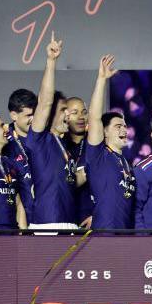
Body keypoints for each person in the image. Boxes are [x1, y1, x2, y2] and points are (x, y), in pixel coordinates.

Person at [24, 33, 80, 229]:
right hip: (47, 224)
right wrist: (51, 61)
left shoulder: (65, 145)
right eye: (63, 109)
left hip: (70, 224)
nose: (69, 114)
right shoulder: (39, 139)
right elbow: (46, 101)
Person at [84, 55, 135, 229]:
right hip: (105, 234)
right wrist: (102, 79)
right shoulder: (98, 155)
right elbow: (95, 116)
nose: (124, 129)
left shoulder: (125, 162)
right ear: (104, 132)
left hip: (126, 236)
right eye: (118, 126)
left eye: (125, 126)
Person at [6, 88, 37, 219]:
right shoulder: (3, 144)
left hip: (48, 216)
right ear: (14, 115)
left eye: (35, 114)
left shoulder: (46, 137)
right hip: (20, 221)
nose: (34, 119)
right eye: (28, 115)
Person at [64, 95, 92, 228]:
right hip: (63, 222)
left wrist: (98, 215)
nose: (81, 117)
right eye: (75, 113)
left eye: (84, 112)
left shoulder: (96, 145)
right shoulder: (57, 145)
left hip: (90, 221)